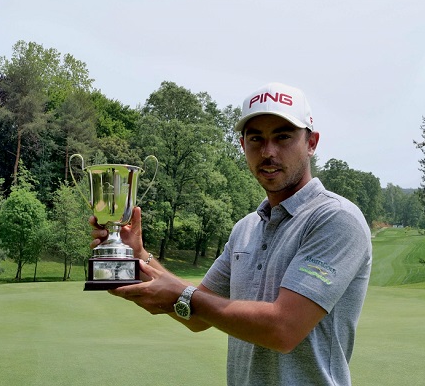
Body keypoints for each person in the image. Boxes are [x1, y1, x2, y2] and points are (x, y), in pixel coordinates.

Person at [90, 82, 372, 386]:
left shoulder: (335, 218)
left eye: (283, 136)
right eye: (256, 139)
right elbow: (198, 315)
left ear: (312, 143)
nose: (268, 151)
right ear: (242, 146)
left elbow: (283, 329)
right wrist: (139, 258)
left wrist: (184, 295)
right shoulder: (246, 228)